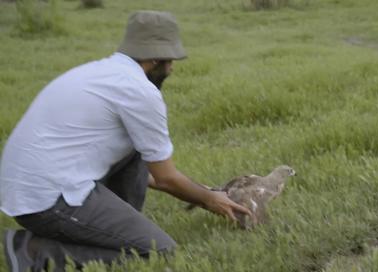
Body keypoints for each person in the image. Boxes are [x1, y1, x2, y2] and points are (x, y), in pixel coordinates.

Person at [0, 10, 251, 272]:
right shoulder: (139, 91)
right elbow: (166, 177)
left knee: (136, 151)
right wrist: (209, 199)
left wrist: (202, 190)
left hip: (26, 186)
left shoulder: (98, 71)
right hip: (46, 200)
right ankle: (34, 252)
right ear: (155, 58)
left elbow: (151, 173)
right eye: (170, 60)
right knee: (159, 252)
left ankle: (112, 230)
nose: (172, 67)